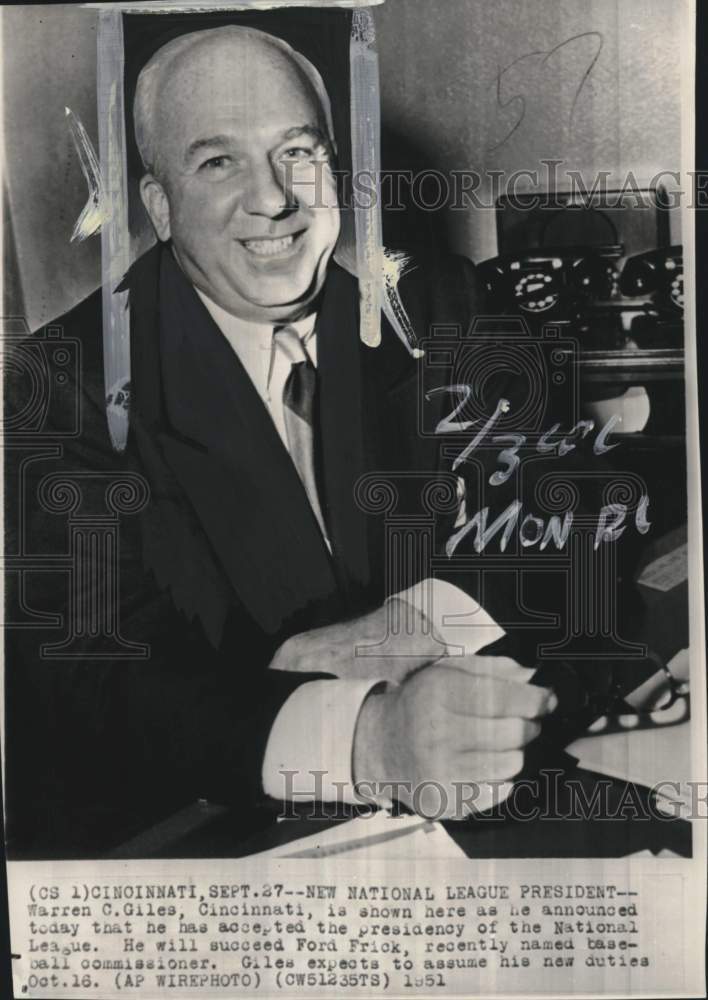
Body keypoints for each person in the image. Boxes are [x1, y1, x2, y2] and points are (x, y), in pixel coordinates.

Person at [4, 24, 667, 858]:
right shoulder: (59, 382)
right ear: (160, 204)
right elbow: (94, 676)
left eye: (297, 151)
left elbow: (576, 514)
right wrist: (366, 742)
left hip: (484, 798)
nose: (275, 199)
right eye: (219, 162)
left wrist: (413, 621)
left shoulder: (442, 311)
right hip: (214, 838)